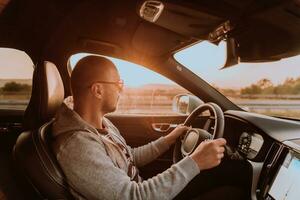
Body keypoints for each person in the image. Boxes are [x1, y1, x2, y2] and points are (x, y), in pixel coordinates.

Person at [51, 55, 232, 200]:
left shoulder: (101, 124)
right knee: (229, 194)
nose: (121, 90)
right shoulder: (77, 145)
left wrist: (169, 139)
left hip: (143, 189)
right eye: (118, 84)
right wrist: (195, 162)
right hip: (141, 194)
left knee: (223, 181)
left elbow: (130, 157)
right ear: (98, 90)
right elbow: (133, 196)